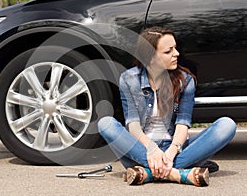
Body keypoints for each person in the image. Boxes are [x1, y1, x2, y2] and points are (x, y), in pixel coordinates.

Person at [97, 26, 236, 187]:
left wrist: (170, 154)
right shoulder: (128, 79)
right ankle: (178, 173)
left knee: (227, 125)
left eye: (175, 48)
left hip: (175, 149)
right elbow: (133, 125)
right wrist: (152, 149)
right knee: (105, 123)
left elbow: (182, 124)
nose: (176, 54)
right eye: (168, 51)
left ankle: (148, 173)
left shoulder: (186, 80)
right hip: (140, 150)